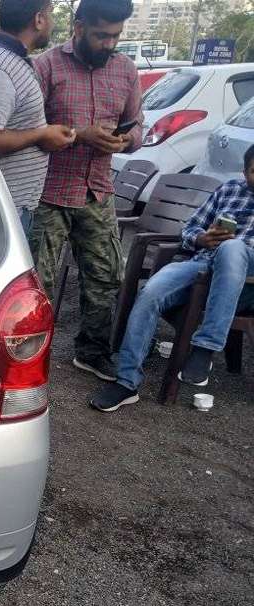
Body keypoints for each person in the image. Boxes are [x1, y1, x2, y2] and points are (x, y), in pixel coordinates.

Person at [91, 145, 254, 411]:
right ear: (245, 171)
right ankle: (126, 382)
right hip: (201, 263)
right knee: (150, 294)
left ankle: (205, 347)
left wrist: (232, 246)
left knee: (233, 247)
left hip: (247, 280)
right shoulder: (229, 190)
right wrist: (202, 238)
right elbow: (191, 227)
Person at [30, 0, 142, 382]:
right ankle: (29, 358)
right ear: (78, 27)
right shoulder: (45, 66)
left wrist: (126, 140)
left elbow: (137, 127)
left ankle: (91, 351)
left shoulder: (126, 70)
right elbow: (30, 131)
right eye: (101, 35)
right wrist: (79, 135)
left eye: (115, 36)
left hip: (97, 190)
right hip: (48, 191)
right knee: (35, 281)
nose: (109, 43)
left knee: (105, 276)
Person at [0, 0, 76, 234]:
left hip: (11, 207)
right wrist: (42, 134)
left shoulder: (11, 61)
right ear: (38, 19)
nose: (52, 23)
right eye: (50, 15)